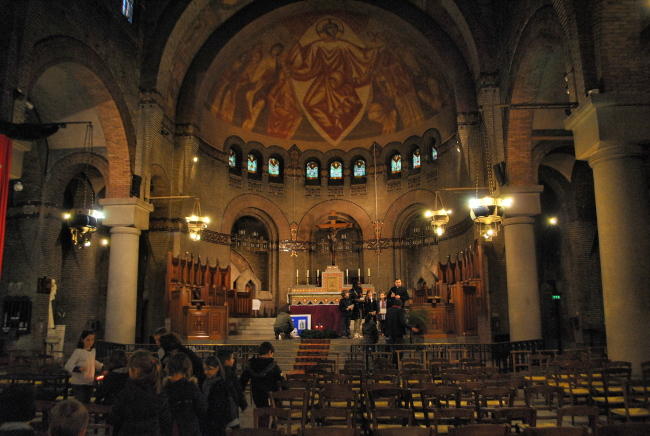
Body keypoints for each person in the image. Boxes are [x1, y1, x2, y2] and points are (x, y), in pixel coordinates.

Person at [111, 349, 172, 436]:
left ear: (133, 370)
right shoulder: (159, 392)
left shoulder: (127, 392)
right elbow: (166, 421)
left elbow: (114, 418)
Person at [240, 342, 283, 426]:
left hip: (256, 394)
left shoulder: (251, 364)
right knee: (272, 410)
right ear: (270, 352)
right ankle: (272, 427)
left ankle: (263, 428)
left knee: (262, 413)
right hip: (270, 395)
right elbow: (281, 381)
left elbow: (243, 381)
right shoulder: (273, 366)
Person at [204, 351, 247, 435]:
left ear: (217, 368)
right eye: (232, 358)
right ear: (226, 360)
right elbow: (237, 390)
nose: (205, 372)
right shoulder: (212, 380)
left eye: (209, 369)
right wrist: (243, 404)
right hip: (225, 418)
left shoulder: (218, 383)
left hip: (221, 419)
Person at [163, 353, 206, 436]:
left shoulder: (164, 388)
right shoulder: (191, 387)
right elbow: (202, 408)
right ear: (187, 368)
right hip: (190, 429)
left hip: (169, 429)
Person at [64, 330, 103, 403]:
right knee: (81, 402)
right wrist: (77, 369)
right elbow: (68, 365)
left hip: (89, 382)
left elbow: (92, 361)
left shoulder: (92, 351)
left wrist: (101, 366)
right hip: (79, 383)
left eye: (92, 340)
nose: (90, 342)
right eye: (88, 340)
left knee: (87, 402)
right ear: (82, 340)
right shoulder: (78, 352)